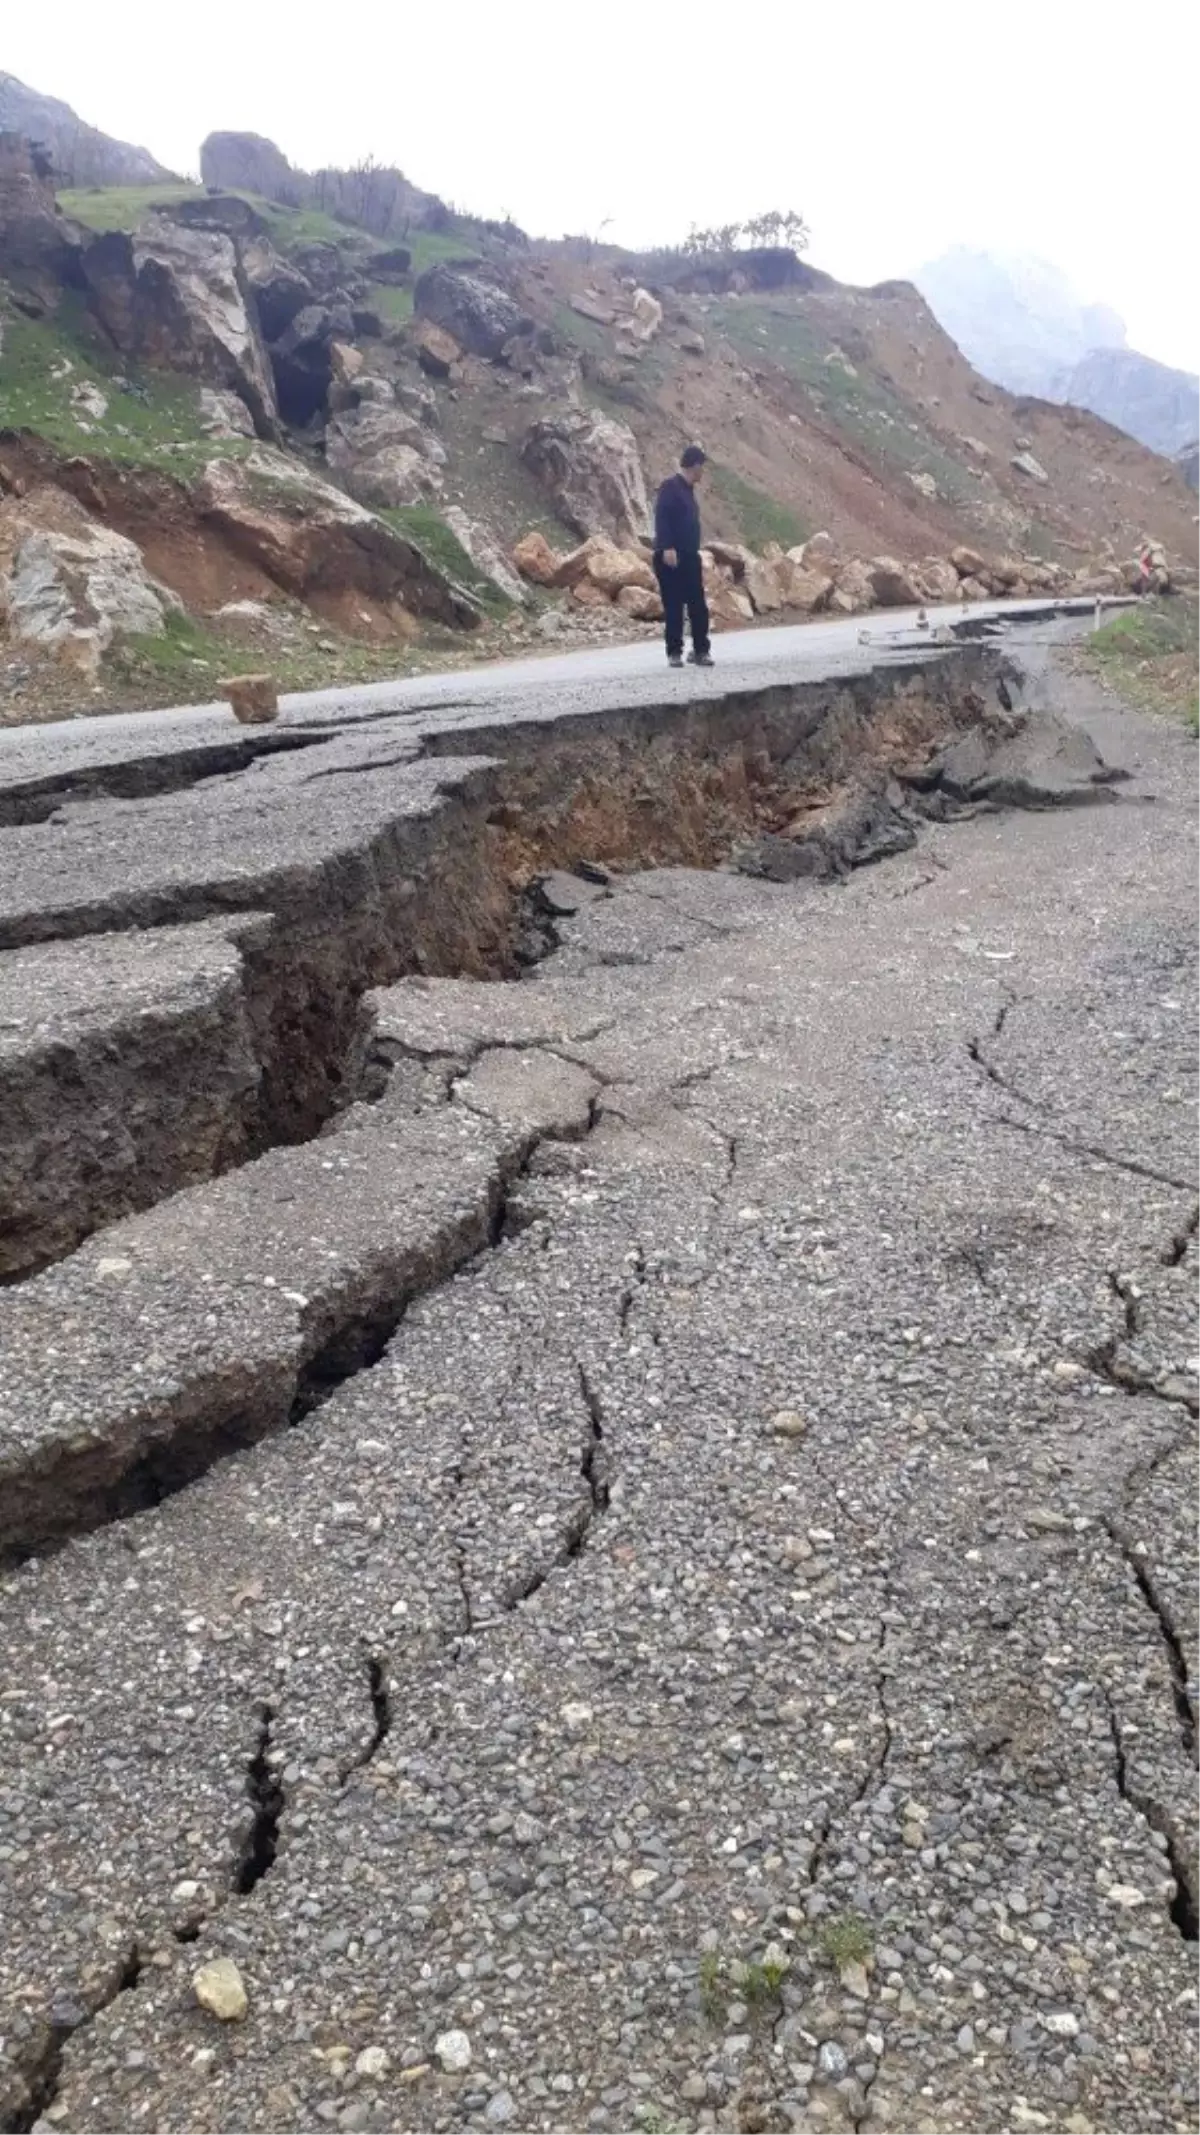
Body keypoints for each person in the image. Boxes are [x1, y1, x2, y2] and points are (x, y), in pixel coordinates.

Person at [653, 445, 713, 668]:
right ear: (695, 465)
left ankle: (700, 650)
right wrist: (667, 547)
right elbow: (662, 517)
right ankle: (674, 652)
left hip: (689, 557)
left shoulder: (688, 491)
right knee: (674, 606)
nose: (703, 472)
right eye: (702, 467)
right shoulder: (670, 488)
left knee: (698, 605)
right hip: (671, 557)